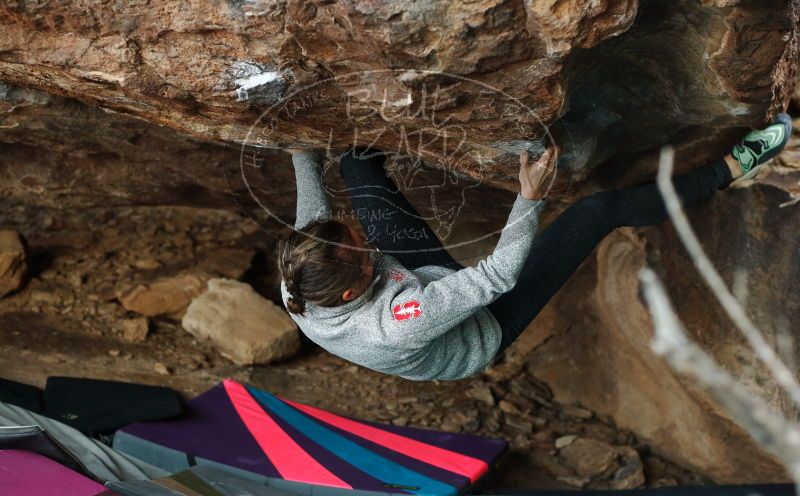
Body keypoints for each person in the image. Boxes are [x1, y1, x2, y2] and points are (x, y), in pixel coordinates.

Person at [277, 114, 792, 381]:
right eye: (364, 249)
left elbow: (315, 220)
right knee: (595, 212)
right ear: (351, 292)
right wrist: (528, 198)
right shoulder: (397, 322)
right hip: (483, 324)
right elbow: (494, 277)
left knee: (356, 165)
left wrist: (297, 140)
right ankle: (730, 168)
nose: (368, 239)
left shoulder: (299, 275)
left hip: (410, 284)